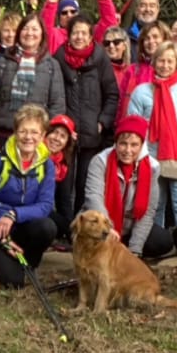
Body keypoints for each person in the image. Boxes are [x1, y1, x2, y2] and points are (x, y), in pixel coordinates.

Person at [127, 42, 177, 247]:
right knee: (155, 204)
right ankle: (157, 244)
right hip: (151, 156)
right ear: (154, 62)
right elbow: (132, 126)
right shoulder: (141, 91)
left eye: (170, 61)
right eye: (161, 60)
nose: (165, 65)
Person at [0, 104, 58, 287]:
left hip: (21, 226)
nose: (28, 137)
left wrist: (13, 214)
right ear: (14, 133)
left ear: (43, 136)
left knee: (47, 227)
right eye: (23, 131)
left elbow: (45, 205)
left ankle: (28, 264)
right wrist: (1, 240)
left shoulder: (47, 165)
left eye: (35, 132)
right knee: (14, 283)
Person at [54, 14, 120, 219]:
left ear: (91, 36)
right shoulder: (59, 58)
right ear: (69, 34)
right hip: (66, 134)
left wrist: (103, 121)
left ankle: (79, 223)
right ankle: (64, 227)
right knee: (63, 183)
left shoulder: (100, 59)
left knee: (85, 182)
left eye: (84, 33)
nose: (79, 37)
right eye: (75, 32)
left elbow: (112, 94)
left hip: (92, 133)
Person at [0, 14, 64, 153]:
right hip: (3, 136)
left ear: (42, 34)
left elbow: (57, 104)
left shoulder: (51, 66)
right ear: (19, 33)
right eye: (25, 28)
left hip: (35, 139)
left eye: (34, 29)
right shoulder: (3, 62)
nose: (29, 33)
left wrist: (47, 134)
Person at [81, 115, 160, 253]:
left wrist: (135, 250)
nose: (128, 150)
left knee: (161, 240)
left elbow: (148, 211)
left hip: (129, 225)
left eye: (134, 145)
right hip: (102, 222)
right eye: (123, 143)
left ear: (142, 146)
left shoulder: (152, 168)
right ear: (116, 143)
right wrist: (107, 229)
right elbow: (94, 197)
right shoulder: (100, 161)